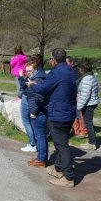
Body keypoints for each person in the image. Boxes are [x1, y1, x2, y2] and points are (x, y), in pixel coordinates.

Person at [28, 48, 77, 188]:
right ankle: (58, 169)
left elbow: (43, 88)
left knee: (62, 146)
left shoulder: (57, 73)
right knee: (61, 143)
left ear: (54, 60)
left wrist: (32, 85)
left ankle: (68, 177)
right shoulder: (70, 70)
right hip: (69, 112)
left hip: (59, 113)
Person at [19, 59, 48, 167]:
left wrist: (34, 112)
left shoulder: (38, 79)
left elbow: (38, 97)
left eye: (30, 71)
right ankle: (40, 157)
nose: (28, 73)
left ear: (35, 69)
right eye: (26, 71)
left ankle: (41, 159)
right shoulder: (34, 77)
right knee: (40, 136)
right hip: (38, 111)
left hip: (39, 112)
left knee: (40, 136)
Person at [76, 59, 100, 150]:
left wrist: (79, 106)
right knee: (89, 122)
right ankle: (92, 140)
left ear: (82, 69)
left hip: (89, 104)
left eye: (79, 69)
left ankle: (92, 143)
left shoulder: (86, 79)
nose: (78, 70)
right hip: (91, 102)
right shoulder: (91, 76)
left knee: (88, 123)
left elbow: (85, 95)